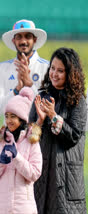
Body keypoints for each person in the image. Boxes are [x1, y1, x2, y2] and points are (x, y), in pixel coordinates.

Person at [29, 47, 87, 213]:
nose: (54, 74)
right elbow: (29, 138)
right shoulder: (42, 96)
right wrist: (39, 121)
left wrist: (54, 115)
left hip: (67, 180)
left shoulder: (78, 101)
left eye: (60, 70)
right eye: (52, 68)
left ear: (70, 73)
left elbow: (74, 136)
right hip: (42, 177)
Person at [0, 87, 42, 214]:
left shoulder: (31, 141)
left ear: (22, 119)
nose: (8, 121)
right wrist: (0, 161)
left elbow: (35, 173)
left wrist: (17, 158)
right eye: (6, 116)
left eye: (13, 117)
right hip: (2, 208)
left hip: (24, 209)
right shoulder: (0, 140)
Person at [0, 19, 49, 119]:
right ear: (13, 41)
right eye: (19, 37)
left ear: (34, 40)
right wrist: (16, 90)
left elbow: (49, 110)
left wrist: (29, 84)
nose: (23, 41)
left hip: (38, 133)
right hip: (11, 133)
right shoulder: (3, 68)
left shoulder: (47, 67)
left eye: (28, 36)